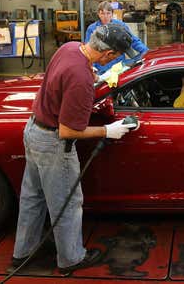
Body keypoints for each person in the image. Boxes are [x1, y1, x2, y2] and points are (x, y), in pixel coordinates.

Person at [13, 23, 139, 274]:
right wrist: (108, 131)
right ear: (108, 55)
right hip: (53, 144)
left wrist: (95, 77)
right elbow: (68, 131)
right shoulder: (80, 79)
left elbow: (67, 76)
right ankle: (71, 258)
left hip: (34, 130)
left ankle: (23, 252)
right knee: (67, 204)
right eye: (117, 56)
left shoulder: (70, 48)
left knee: (32, 198)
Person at [85, 1, 148, 75]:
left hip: (119, 65)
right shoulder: (92, 29)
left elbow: (132, 40)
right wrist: (92, 68)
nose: (105, 16)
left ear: (112, 14)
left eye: (108, 13)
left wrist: (146, 52)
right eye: (102, 13)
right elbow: (89, 50)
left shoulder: (120, 26)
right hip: (101, 68)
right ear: (98, 14)